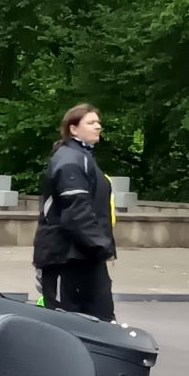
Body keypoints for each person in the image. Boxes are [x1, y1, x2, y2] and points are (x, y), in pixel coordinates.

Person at [34, 101, 117, 320]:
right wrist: (102, 246)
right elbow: (76, 212)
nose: (98, 126)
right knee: (65, 323)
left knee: (102, 321)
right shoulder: (69, 161)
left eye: (98, 122)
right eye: (91, 122)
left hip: (84, 255)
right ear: (73, 129)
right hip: (65, 258)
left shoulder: (83, 158)